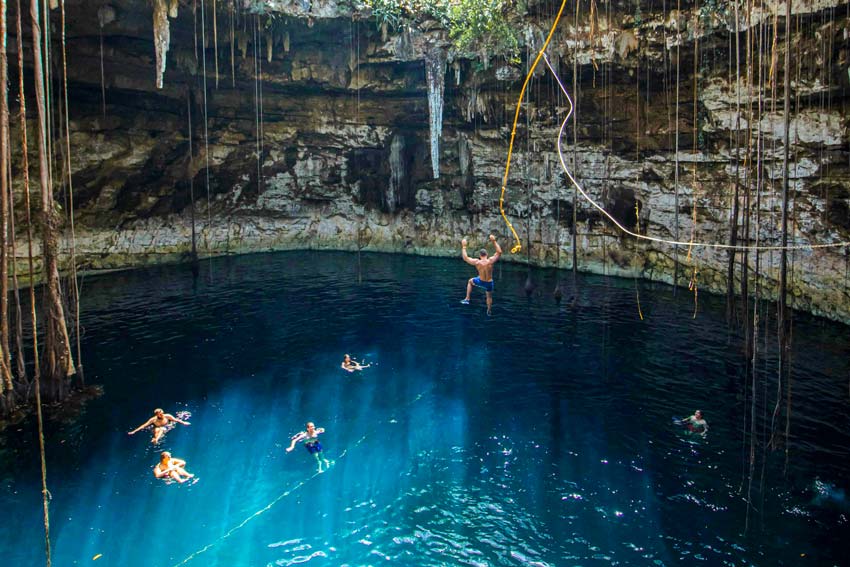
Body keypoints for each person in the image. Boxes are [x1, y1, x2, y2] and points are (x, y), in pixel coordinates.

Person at [460, 234, 502, 314]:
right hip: (489, 283)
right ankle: (489, 310)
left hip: (480, 281)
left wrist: (464, 246)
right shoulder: (490, 261)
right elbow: (499, 252)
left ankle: (467, 299)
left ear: (480, 255)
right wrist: (494, 241)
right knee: (489, 296)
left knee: (470, 281)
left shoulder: (477, 262)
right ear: (487, 255)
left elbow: (465, 258)